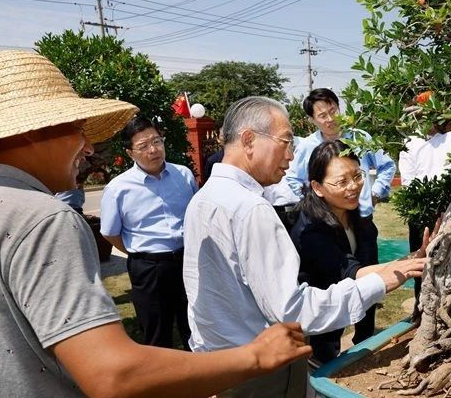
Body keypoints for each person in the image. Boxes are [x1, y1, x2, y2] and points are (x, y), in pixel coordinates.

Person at [0, 50, 311, 398]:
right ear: (33, 131)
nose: (87, 148)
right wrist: (255, 356)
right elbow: (113, 375)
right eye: (77, 129)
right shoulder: (43, 218)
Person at [183, 96, 428, 397]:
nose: (290, 156)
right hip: (261, 370)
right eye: (286, 142)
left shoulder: (203, 199)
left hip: (219, 363)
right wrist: (380, 282)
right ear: (248, 140)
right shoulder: (251, 209)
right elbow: (294, 311)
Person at [290, 140, 435, 364]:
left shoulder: (359, 219)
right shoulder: (309, 230)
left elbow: (367, 271)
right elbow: (353, 273)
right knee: (320, 365)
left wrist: (414, 257)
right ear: (317, 187)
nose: (353, 187)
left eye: (358, 176)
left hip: (341, 311)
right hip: (312, 325)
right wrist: (407, 266)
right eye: (342, 182)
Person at [285, 87, 396, 343]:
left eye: (332, 111)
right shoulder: (308, 147)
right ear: (312, 120)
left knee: (367, 283)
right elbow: (293, 179)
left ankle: (364, 338)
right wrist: (317, 201)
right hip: (327, 224)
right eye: (322, 115)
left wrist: (374, 193)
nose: (330, 119)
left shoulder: (360, 138)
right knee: (332, 282)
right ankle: (328, 345)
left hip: (360, 220)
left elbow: (387, 165)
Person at [100, 116, 196, 350]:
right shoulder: (118, 188)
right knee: (157, 333)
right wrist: (139, 254)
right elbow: (110, 233)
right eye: (143, 146)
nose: (153, 150)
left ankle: (201, 369)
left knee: (195, 326)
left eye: (157, 141)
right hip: (149, 269)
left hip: (187, 261)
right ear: (130, 152)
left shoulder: (183, 175)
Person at [399, 125, 451, 319]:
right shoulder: (410, 142)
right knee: (421, 263)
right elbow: (408, 181)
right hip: (421, 213)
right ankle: (421, 307)